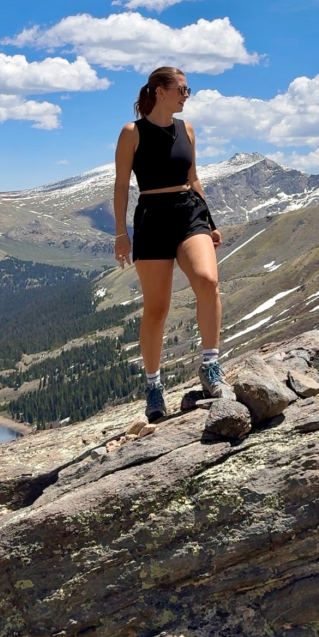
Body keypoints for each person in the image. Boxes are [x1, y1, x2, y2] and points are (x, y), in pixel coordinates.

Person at [113, 65, 235, 423]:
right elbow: (121, 186)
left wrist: (209, 222)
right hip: (152, 218)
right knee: (156, 309)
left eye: (188, 89)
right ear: (159, 91)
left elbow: (194, 177)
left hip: (188, 213)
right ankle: (153, 386)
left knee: (208, 281)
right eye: (181, 89)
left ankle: (211, 366)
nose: (186, 95)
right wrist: (121, 234)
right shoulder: (132, 133)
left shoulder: (188, 130)